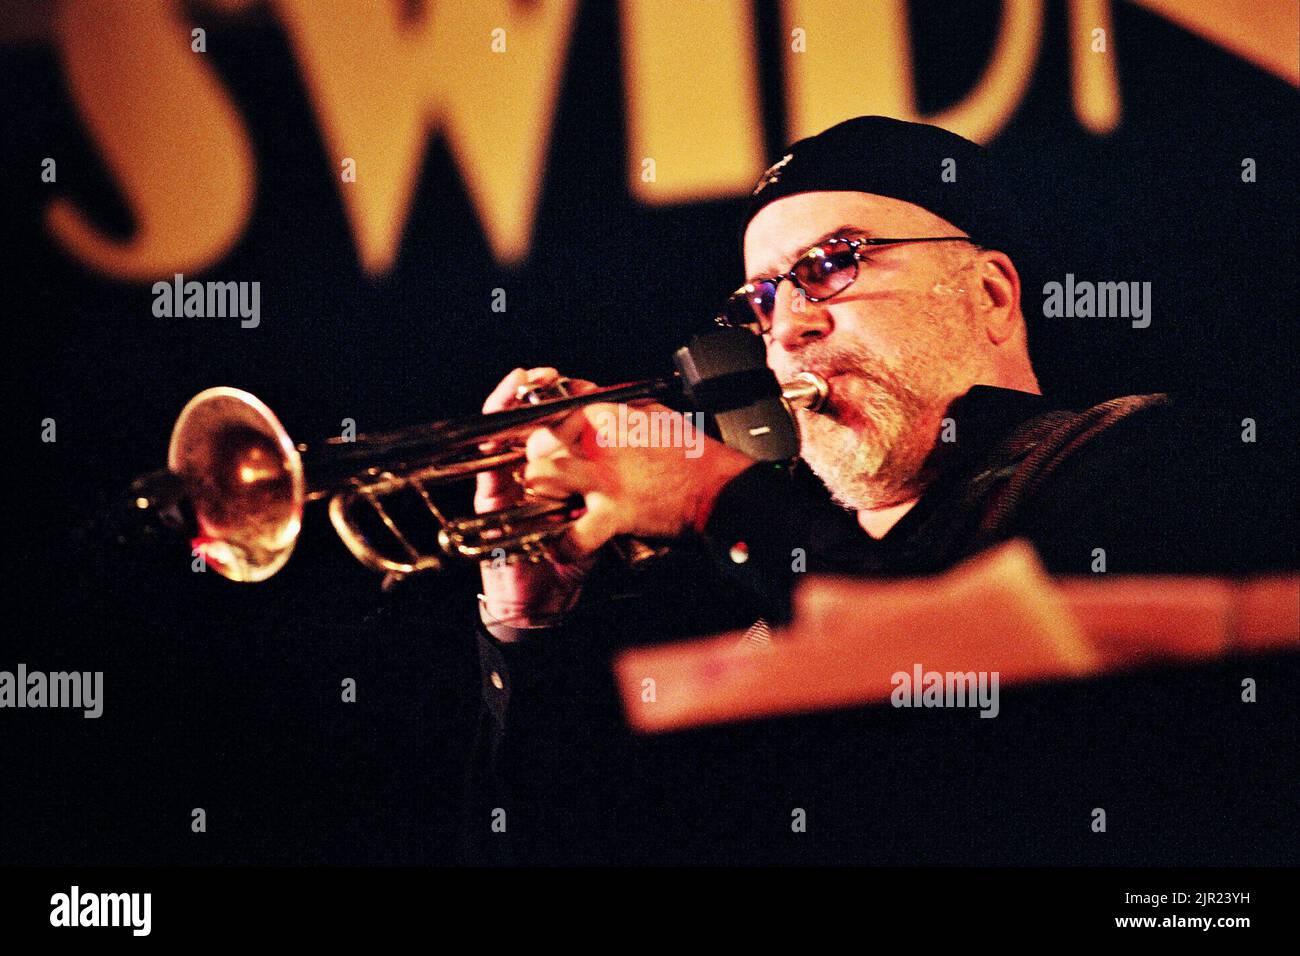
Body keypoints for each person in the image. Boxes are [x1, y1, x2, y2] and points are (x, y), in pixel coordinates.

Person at [459, 116, 1278, 865]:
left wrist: (717, 496)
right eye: (763, 300)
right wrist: (529, 633)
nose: (786, 332)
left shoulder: (1149, 461)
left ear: (990, 295)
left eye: (830, 265)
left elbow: (987, 731)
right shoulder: (752, 589)